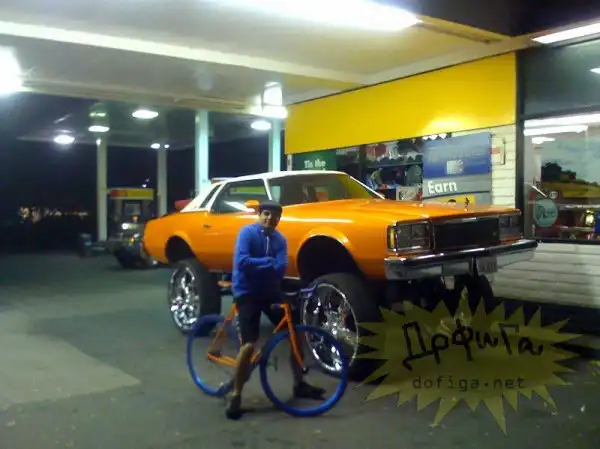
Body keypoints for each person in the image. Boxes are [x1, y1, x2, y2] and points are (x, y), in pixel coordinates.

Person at [226, 199, 325, 420]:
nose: (270, 218)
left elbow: (281, 268)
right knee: (249, 345)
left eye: (274, 215)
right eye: (266, 214)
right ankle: (236, 394)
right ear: (259, 215)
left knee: (295, 333)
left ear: (279, 219)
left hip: (270, 292)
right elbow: (242, 262)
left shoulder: (280, 239)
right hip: (247, 292)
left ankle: (299, 383)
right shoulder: (247, 233)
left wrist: (263, 264)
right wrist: (269, 262)